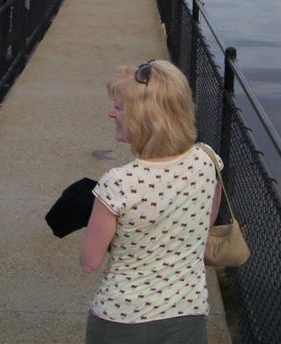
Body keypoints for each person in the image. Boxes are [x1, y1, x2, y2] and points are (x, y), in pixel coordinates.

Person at [81, 60, 223, 344]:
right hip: (187, 313)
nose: (111, 113)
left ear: (143, 118)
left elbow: (89, 261)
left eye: (119, 108)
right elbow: (202, 225)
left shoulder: (118, 183)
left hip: (122, 319)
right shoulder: (208, 159)